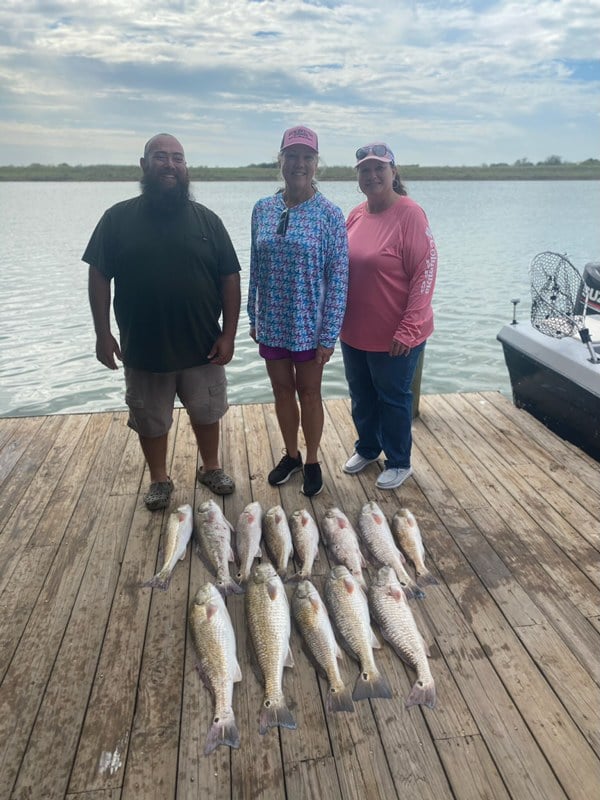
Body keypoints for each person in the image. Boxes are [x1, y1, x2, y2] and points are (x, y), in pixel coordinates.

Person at [83, 133, 241, 510]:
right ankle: (159, 478)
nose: (170, 165)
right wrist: (102, 333)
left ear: (186, 168)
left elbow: (230, 278)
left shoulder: (208, 221)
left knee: (207, 412)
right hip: (144, 347)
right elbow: (99, 275)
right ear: (144, 165)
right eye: (160, 157)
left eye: (177, 158)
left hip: (203, 343)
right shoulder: (117, 219)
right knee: (150, 420)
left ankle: (211, 467)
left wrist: (229, 334)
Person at [248, 125, 348, 496]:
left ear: (316, 163)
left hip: (309, 324)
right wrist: (253, 316)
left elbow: (338, 279)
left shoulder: (330, 215)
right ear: (281, 160)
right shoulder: (262, 208)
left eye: (307, 157)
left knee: (309, 393)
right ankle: (290, 455)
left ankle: (311, 460)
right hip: (272, 321)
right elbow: (256, 266)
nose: (299, 164)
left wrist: (329, 334)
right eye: (292, 156)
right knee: (280, 390)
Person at [340, 142, 437, 490]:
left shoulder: (410, 214)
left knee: (393, 397)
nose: (372, 175)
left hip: (396, 335)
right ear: (359, 178)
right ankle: (367, 447)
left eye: (380, 168)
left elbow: (425, 273)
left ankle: (399, 461)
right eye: (365, 170)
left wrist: (409, 329)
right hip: (353, 331)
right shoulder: (354, 215)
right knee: (361, 395)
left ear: (393, 172)